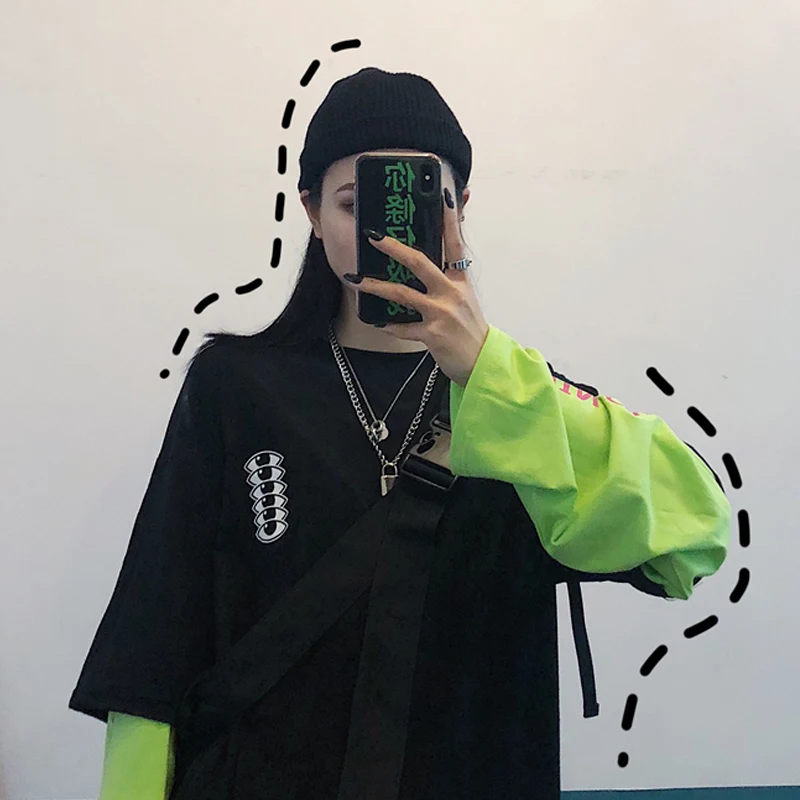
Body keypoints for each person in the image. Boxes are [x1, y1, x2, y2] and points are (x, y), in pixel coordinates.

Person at [68, 66, 731, 800]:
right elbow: (153, 644)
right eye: (354, 206)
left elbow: (693, 537)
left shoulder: (522, 402)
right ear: (312, 211)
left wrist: (490, 373)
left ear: (460, 210)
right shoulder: (235, 387)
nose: (384, 236)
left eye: (421, 205)